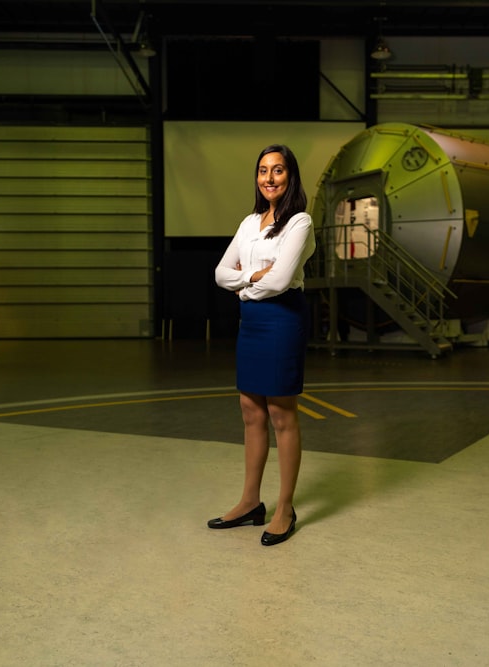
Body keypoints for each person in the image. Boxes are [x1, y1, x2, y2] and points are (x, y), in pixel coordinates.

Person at [207, 144, 316, 547]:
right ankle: (251, 502)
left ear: (290, 176)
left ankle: (285, 508)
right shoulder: (249, 222)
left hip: (284, 318)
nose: (269, 178)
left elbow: (281, 281)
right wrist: (256, 278)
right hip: (252, 322)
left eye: (278, 170)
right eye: (263, 170)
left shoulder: (299, 222)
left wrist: (246, 283)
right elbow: (220, 274)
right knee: (250, 409)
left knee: (281, 412)